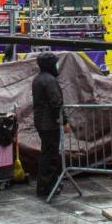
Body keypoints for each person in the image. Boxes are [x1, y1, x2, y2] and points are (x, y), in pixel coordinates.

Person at [31, 52, 68, 198]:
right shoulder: (49, 80)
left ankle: (46, 186)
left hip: (42, 122)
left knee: (47, 154)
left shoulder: (38, 79)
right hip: (49, 124)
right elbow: (56, 102)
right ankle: (46, 187)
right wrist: (64, 121)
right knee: (50, 156)